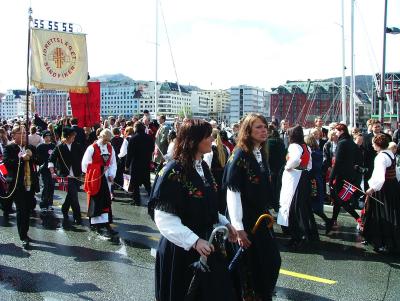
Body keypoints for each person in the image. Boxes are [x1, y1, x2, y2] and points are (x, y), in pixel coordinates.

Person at [150, 119, 237, 301]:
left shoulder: (203, 167)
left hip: (206, 245)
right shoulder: (173, 171)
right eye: (207, 137)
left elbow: (206, 205)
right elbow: (164, 218)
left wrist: (226, 223)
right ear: (193, 140)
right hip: (181, 251)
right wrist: (194, 241)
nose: (212, 140)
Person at [224, 113, 281, 300]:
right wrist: (238, 228)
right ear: (247, 131)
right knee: (248, 266)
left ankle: (261, 294)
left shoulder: (260, 152)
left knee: (270, 261)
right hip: (245, 218)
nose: (264, 130)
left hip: (259, 216)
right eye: (258, 127)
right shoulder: (240, 155)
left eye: (265, 126)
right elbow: (233, 192)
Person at [277, 125, 319, 247]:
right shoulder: (306, 146)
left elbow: (295, 160)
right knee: (303, 207)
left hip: (295, 178)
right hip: (304, 177)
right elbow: (310, 164)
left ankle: (297, 235)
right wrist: (304, 169)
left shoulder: (294, 146)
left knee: (292, 206)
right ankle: (306, 233)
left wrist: (287, 166)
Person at [3, 125, 39, 249]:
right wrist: (22, 159)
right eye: (21, 134)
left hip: (30, 183)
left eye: (25, 133)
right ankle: (23, 236)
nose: (24, 136)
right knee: (21, 210)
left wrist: (32, 156)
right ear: (13, 135)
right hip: (18, 185)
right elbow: (8, 163)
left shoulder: (31, 147)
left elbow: (38, 160)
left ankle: (25, 231)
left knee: (28, 209)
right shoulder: (9, 148)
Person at [363, 134, 400, 253]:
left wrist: (372, 189)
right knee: (392, 213)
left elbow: (380, 178)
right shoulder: (390, 153)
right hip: (392, 186)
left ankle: (382, 242)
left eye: (374, 144)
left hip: (383, 189)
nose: (373, 146)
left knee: (381, 214)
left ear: (378, 145)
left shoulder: (380, 157)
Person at [326, 123, 362, 234]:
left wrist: (331, 178)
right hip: (351, 177)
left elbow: (337, 163)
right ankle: (333, 220)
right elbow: (359, 161)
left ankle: (359, 219)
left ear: (341, 131)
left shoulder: (342, 143)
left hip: (340, 177)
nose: (335, 133)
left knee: (341, 200)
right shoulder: (352, 143)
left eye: (336, 131)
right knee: (338, 201)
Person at [82, 129, 118, 237]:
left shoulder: (110, 148)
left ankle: (106, 224)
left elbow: (113, 163)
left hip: (106, 179)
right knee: (96, 201)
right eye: (105, 140)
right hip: (95, 180)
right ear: (100, 137)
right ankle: (97, 225)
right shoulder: (91, 148)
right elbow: (84, 166)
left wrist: (112, 174)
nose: (106, 142)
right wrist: (100, 168)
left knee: (106, 201)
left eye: (108, 140)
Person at [48, 127, 83, 227]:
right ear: (67, 137)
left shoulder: (77, 146)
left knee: (71, 195)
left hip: (77, 175)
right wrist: (52, 171)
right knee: (74, 196)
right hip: (65, 176)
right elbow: (51, 159)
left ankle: (64, 208)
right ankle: (77, 217)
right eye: (73, 136)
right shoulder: (59, 147)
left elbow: (83, 159)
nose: (74, 138)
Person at [125, 121, 154, 205]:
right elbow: (152, 149)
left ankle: (136, 201)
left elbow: (129, 153)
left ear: (135, 128)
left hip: (135, 164)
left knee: (135, 184)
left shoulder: (133, 138)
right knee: (147, 184)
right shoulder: (149, 138)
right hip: (145, 163)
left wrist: (127, 165)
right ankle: (153, 199)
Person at [305, 135, 330, 225]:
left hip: (312, 181)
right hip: (317, 179)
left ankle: (327, 221)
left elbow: (310, 168)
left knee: (312, 203)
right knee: (314, 203)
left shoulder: (311, 154)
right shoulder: (318, 153)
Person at [204, 128, 229, 213]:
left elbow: (207, 166)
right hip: (223, 176)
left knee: (215, 199)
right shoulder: (226, 148)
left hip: (214, 177)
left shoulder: (210, 149)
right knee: (222, 200)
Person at [266, 125, 286, 212]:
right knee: (278, 188)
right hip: (280, 168)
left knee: (271, 187)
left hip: (271, 168)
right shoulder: (281, 142)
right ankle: (277, 205)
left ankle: (271, 204)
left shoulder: (268, 142)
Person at [36, 130, 56, 212]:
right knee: (45, 186)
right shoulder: (40, 146)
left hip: (51, 169)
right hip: (44, 170)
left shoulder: (53, 146)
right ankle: (43, 204)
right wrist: (40, 165)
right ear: (44, 137)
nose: (48, 138)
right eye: (46, 137)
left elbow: (56, 158)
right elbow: (37, 158)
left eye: (49, 136)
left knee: (51, 187)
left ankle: (49, 204)